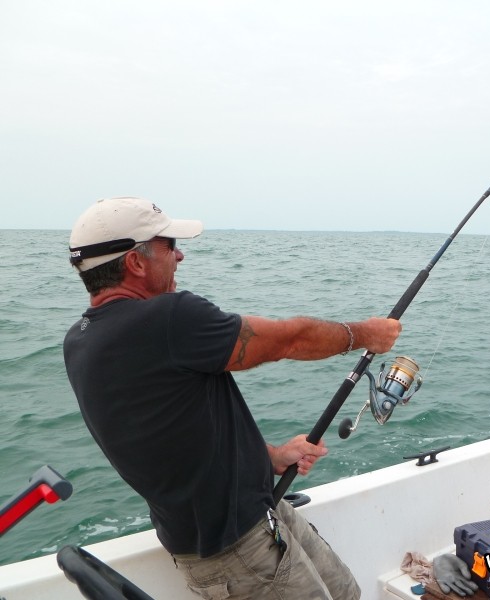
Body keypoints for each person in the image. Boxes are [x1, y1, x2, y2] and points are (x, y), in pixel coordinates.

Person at [63, 196, 402, 600]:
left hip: (245, 521)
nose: (180, 255)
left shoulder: (80, 342)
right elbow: (287, 339)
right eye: (170, 245)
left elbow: (172, 433)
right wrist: (366, 335)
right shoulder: (169, 318)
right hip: (239, 551)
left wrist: (271, 458)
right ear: (135, 262)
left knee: (346, 592)